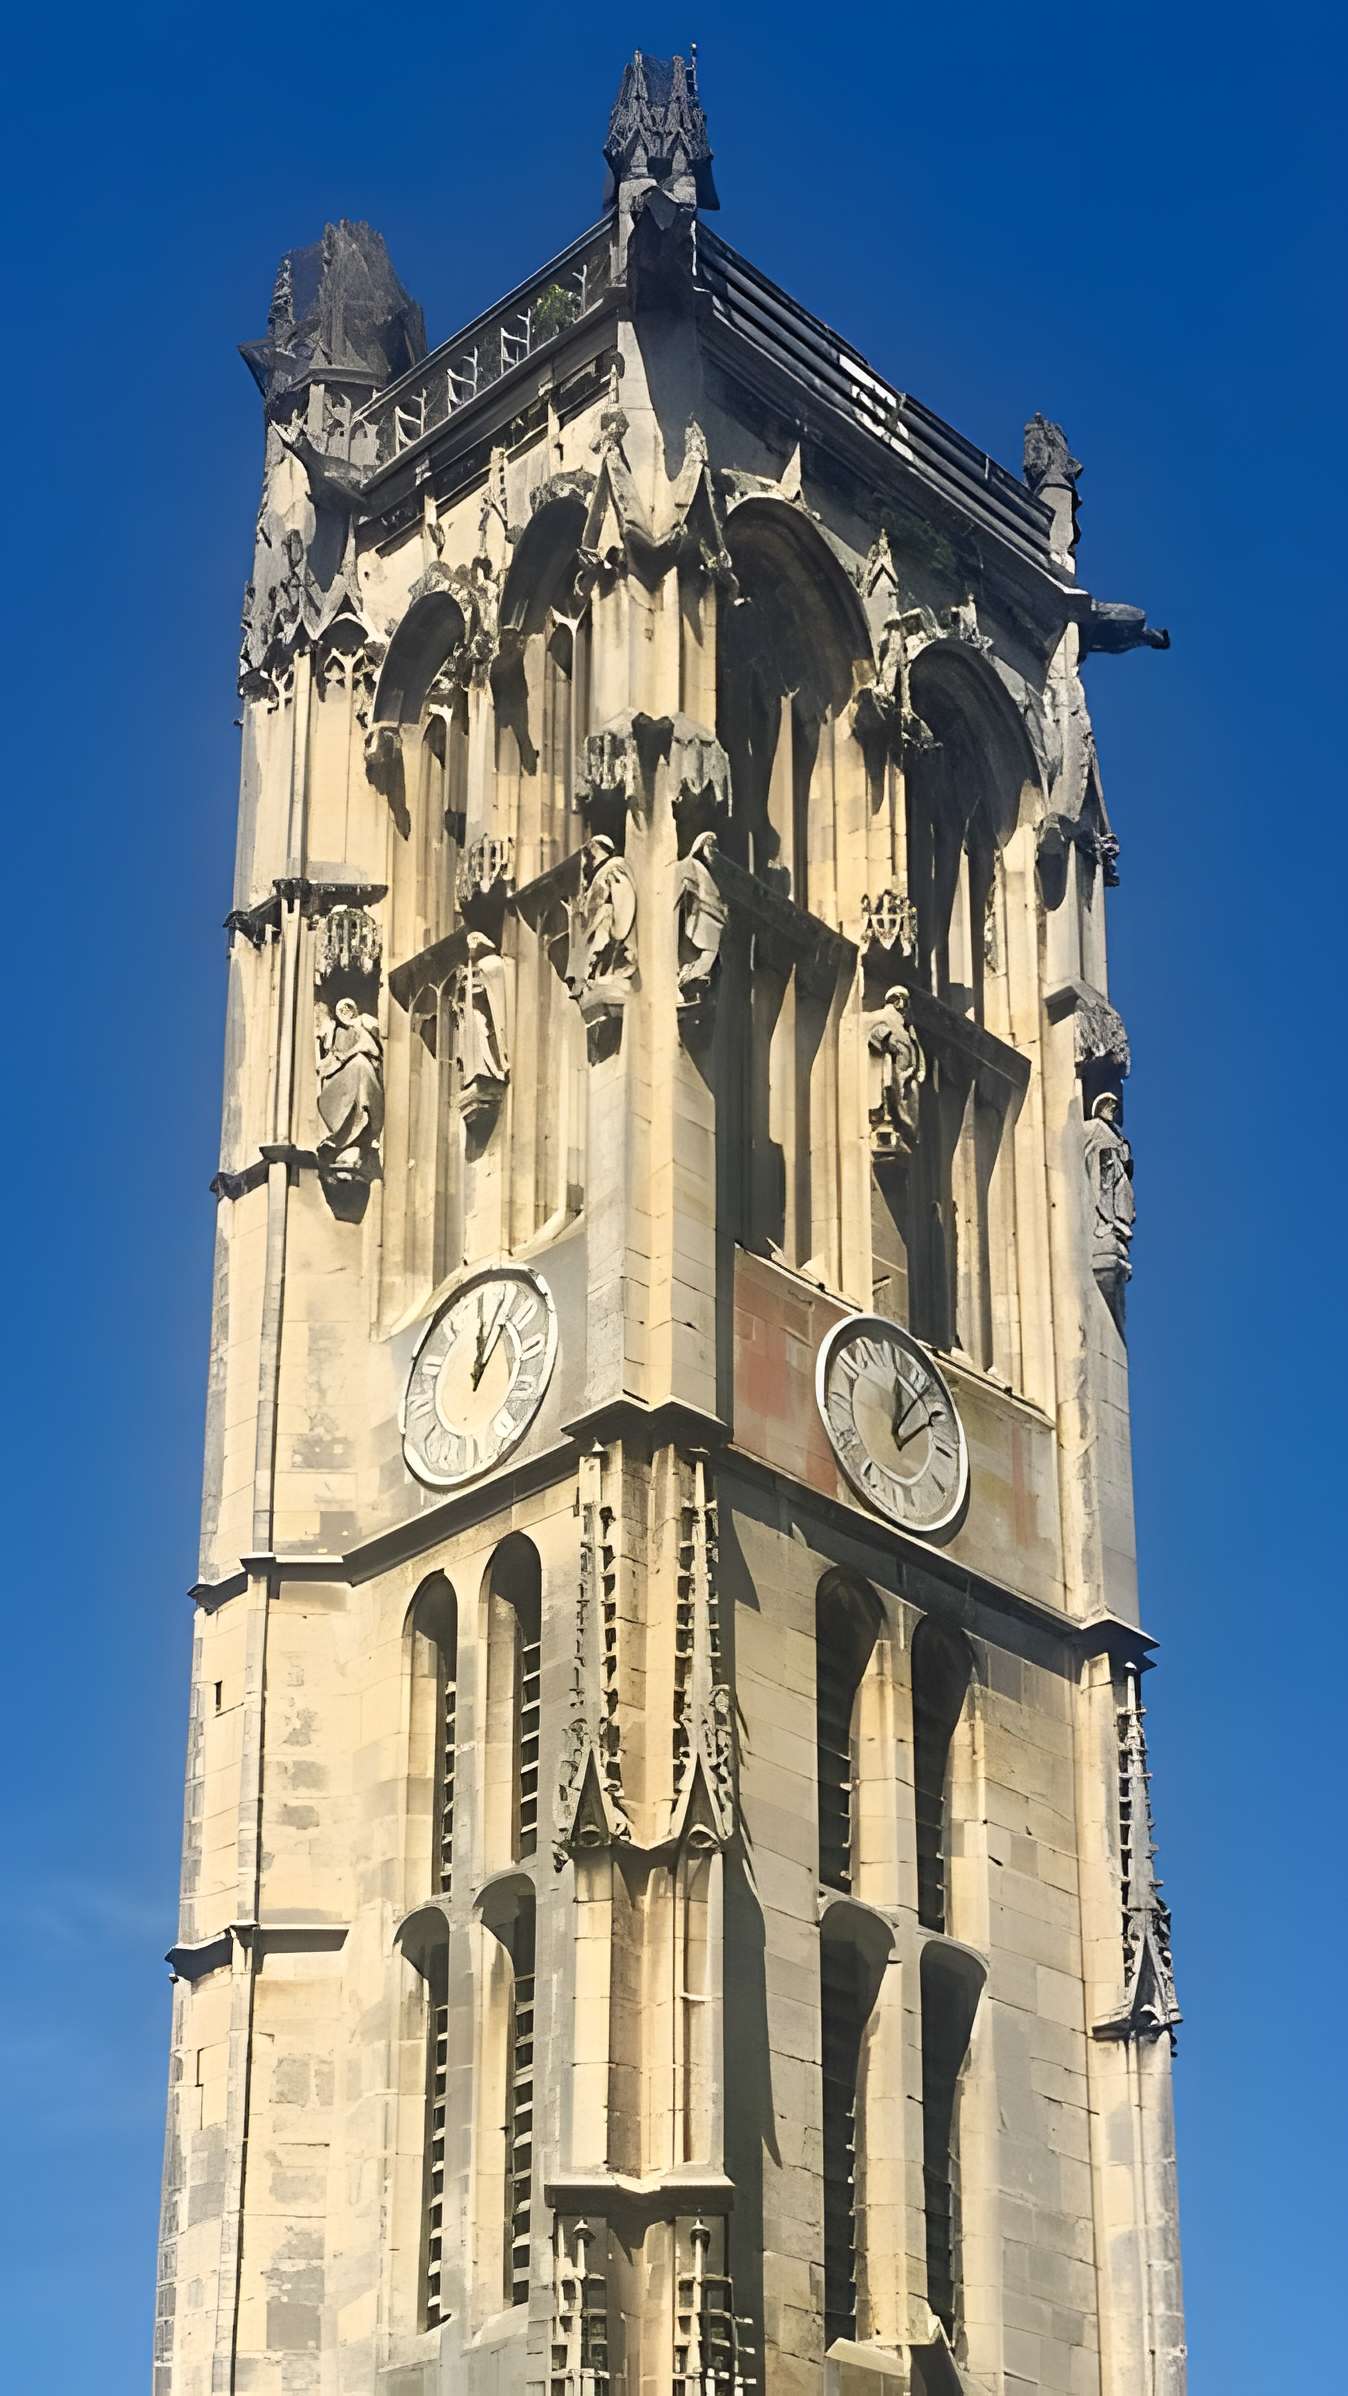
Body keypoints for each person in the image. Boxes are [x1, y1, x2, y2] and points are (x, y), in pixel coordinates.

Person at [316, 995, 383, 1173]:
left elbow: (372, 1048)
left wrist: (348, 1055)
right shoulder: (339, 1032)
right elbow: (331, 1056)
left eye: (348, 1008)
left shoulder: (362, 1024)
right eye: (342, 1010)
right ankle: (341, 1136)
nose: (346, 1012)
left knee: (361, 1067)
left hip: (365, 1070)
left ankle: (361, 1130)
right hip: (345, 1077)